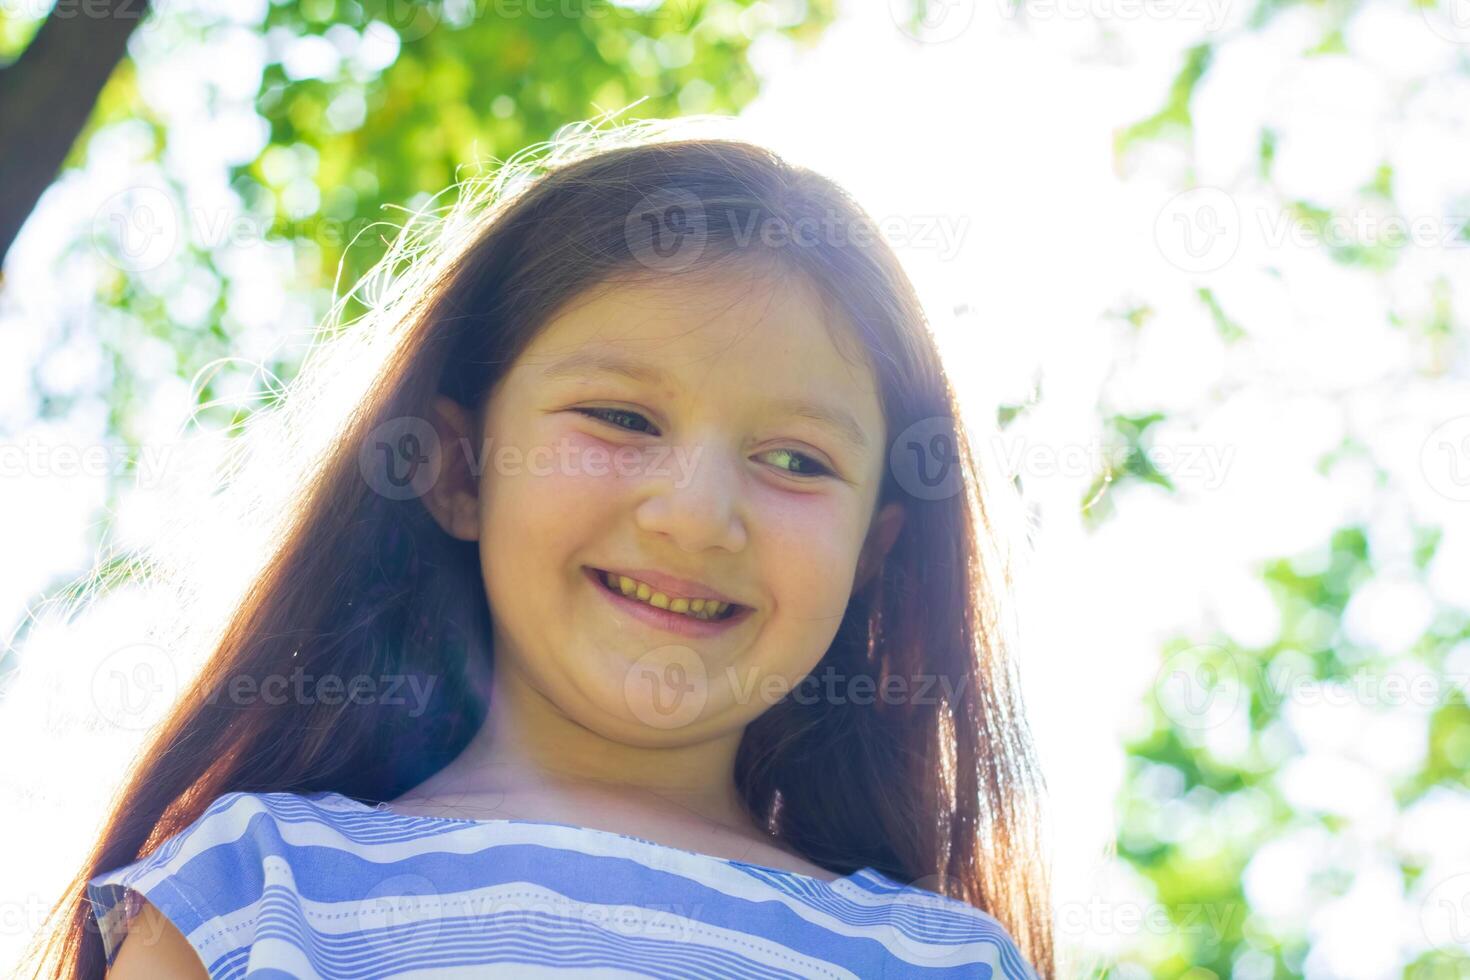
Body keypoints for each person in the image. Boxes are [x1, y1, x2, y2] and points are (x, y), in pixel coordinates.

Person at [25, 119, 1054, 978]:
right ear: (461, 469)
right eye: (620, 417)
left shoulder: (941, 959)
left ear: (872, 552)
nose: (696, 515)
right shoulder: (251, 895)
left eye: (794, 456)